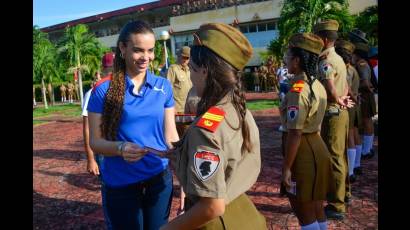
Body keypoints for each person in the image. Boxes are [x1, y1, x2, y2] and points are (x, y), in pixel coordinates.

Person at [161, 22, 266, 230]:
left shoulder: (206, 129)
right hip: (242, 210)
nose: (190, 76)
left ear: (205, 71)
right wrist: (173, 153)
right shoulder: (237, 107)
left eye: (192, 69)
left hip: (215, 221)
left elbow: (211, 207)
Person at [87, 20, 179, 230]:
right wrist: (120, 148)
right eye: (138, 50)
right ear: (122, 48)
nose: (146, 57)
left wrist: (181, 161)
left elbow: (171, 135)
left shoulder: (163, 86)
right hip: (121, 183)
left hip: (159, 179)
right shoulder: (103, 91)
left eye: (150, 50)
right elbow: (96, 142)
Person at [280, 32, 333, 230]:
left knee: (303, 209)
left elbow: (295, 132)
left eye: (287, 56)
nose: (285, 60)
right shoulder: (318, 84)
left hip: (301, 151)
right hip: (318, 147)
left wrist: (286, 167)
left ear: (297, 60)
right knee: (317, 205)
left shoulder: (298, 89)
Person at [313, 19, 353, 220]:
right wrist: (342, 99)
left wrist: (336, 98)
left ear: (325, 38)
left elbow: (329, 86)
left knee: (335, 158)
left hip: (332, 113)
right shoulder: (338, 58)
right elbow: (345, 87)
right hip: (341, 112)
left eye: (317, 36)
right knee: (341, 156)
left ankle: (337, 205)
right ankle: (344, 194)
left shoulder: (326, 60)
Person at [82, 80, 112, 229]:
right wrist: (91, 159)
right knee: (108, 189)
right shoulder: (94, 92)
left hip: (118, 148)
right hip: (103, 151)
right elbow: (87, 128)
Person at [335, 40, 361, 183]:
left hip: (348, 103)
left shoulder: (346, 70)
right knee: (355, 134)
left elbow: (348, 89)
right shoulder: (352, 68)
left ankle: (350, 171)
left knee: (350, 136)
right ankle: (356, 165)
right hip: (353, 104)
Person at [350, 42, 377, 161]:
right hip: (367, 96)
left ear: (357, 54)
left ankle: (366, 150)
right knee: (368, 122)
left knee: (366, 122)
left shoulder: (361, 64)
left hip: (364, 96)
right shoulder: (363, 63)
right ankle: (367, 148)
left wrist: (354, 87)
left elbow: (366, 83)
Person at [167, 46, 192, 136]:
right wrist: (172, 107)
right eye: (183, 57)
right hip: (178, 110)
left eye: (188, 58)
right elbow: (167, 89)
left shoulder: (190, 70)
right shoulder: (173, 69)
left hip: (189, 110)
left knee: (189, 135)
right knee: (182, 136)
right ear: (179, 56)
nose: (185, 60)